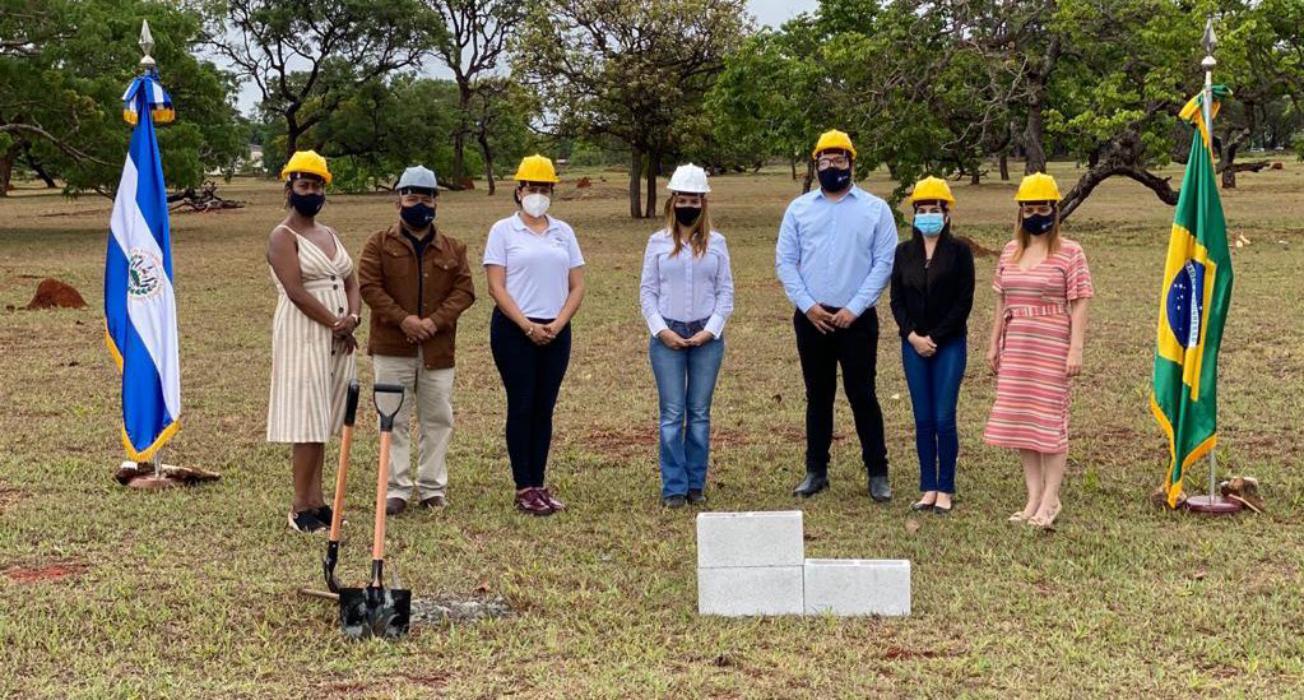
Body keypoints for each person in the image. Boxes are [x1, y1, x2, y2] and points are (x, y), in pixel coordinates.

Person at [776, 129, 898, 502]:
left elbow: (884, 263)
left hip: (856, 318)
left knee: (862, 393)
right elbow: (786, 262)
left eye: (839, 159)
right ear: (816, 164)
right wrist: (808, 306)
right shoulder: (799, 209)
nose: (832, 166)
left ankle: (877, 471)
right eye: (825, 161)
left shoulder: (875, 210)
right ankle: (816, 470)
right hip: (812, 317)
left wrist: (854, 309)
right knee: (818, 395)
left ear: (852, 162)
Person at [358, 165, 475, 516]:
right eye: (411, 196)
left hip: (437, 349)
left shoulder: (453, 248)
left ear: (436, 203)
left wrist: (433, 323)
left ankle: (432, 488)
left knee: (438, 418)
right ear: (398, 201)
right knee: (392, 418)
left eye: (426, 197)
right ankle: (395, 488)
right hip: (392, 347)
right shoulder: (378, 243)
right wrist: (404, 320)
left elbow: (465, 290)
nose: (418, 203)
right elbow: (369, 287)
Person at [984, 173, 1094, 529]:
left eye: (1042, 206)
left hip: (1051, 342)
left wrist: (1075, 348)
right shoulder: (1009, 251)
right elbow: (1002, 301)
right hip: (1016, 343)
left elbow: (1079, 300)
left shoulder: (1070, 252)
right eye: (1029, 207)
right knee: (1022, 421)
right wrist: (993, 343)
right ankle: (1033, 496)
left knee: (1049, 421)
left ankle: (1051, 498)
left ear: (1054, 209)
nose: (1035, 213)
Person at [484, 154, 586, 516]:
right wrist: (527, 325)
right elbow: (496, 286)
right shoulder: (503, 231)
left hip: (556, 329)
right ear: (519, 190)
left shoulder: (564, 232)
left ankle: (539, 483)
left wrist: (557, 324)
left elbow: (577, 285)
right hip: (515, 330)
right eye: (532, 187)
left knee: (545, 408)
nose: (538, 194)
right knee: (522, 403)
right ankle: (523, 485)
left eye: (545, 188)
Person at [265, 150, 360, 533]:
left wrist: (352, 317)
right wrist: (334, 322)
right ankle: (300, 505)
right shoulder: (281, 236)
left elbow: (351, 280)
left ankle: (319, 501)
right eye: (304, 185)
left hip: (338, 336)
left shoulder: (330, 233)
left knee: (323, 420)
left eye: (317, 185)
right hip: (304, 334)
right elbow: (295, 290)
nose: (311, 192)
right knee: (306, 420)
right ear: (289, 188)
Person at [639, 164, 735, 508]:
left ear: (703, 202)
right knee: (671, 414)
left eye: (694, 198)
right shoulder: (657, 243)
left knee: (698, 413)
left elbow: (726, 292)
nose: (688, 204)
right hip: (668, 334)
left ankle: (696, 483)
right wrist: (661, 330)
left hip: (706, 338)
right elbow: (647, 291)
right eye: (682, 198)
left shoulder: (718, 244)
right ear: (672, 200)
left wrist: (710, 331)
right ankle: (674, 487)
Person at [889, 177, 974, 515]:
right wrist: (912, 336)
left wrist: (934, 338)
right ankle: (928, 486)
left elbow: (963, 302)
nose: (927, 215)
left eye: (933, 209)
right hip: (913, 344)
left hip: (948, 344)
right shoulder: (903, 252)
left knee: (943, 417)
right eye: (921, 210)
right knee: (922, 418)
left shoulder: (959, 252)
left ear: (946, 213)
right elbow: (897, 300)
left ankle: (946, 487)